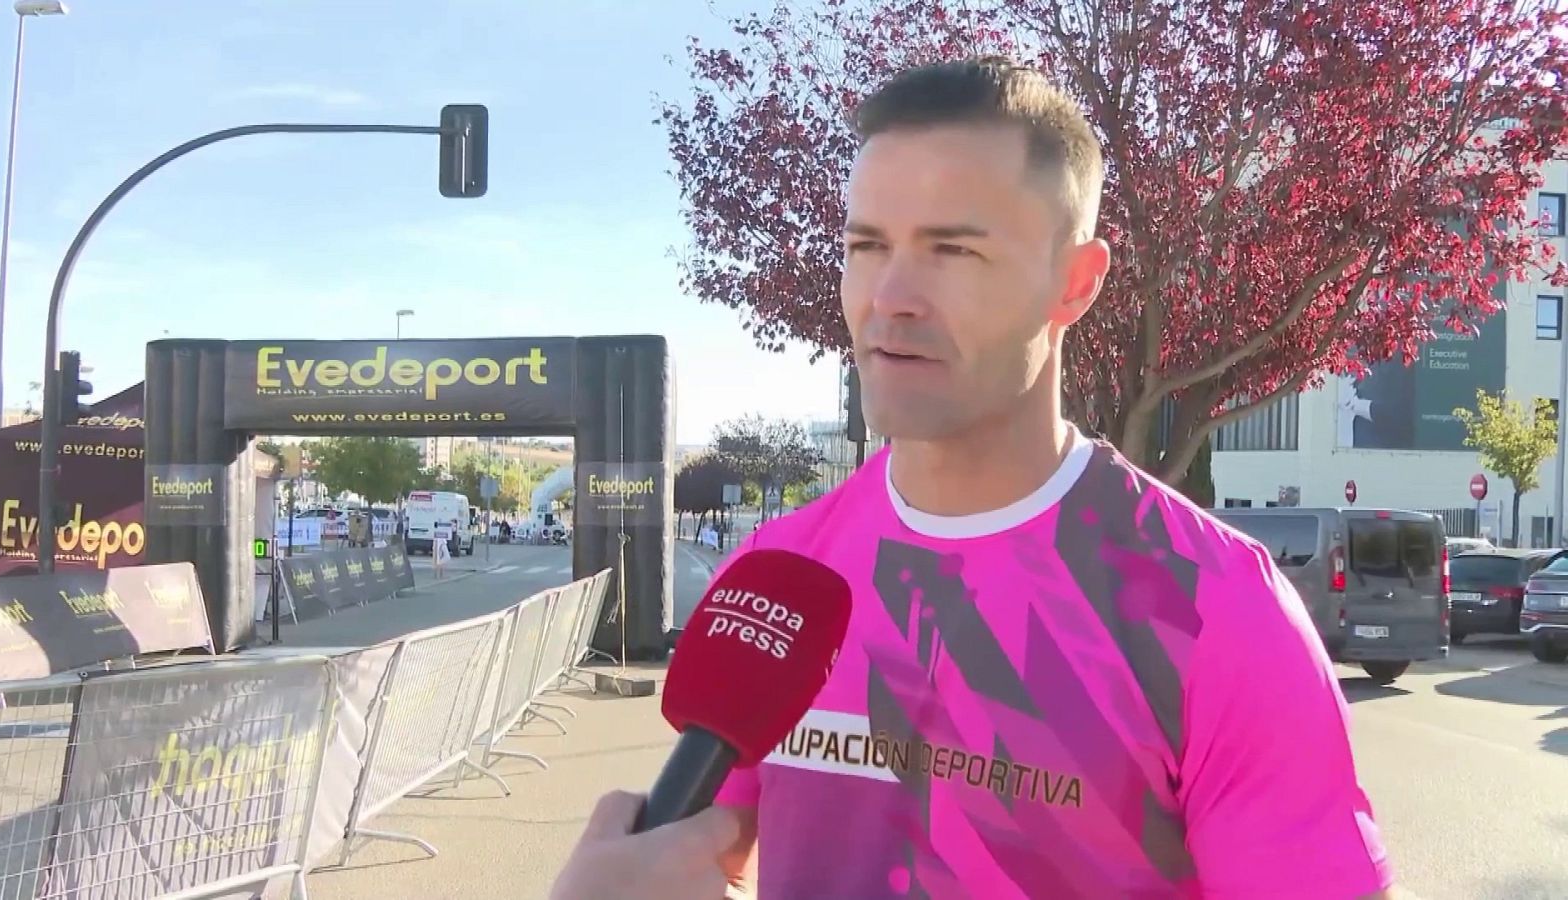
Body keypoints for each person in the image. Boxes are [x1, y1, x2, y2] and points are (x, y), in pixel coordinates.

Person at [552, 57, 1401, 899]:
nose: (890, 297)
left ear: (1075, 284)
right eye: (866, 246)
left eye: (952, 250)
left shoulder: (1218, 607)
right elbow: (708, 861)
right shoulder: (781, 578)